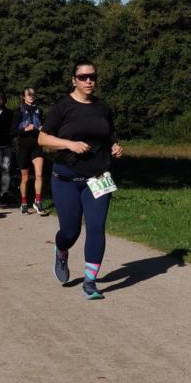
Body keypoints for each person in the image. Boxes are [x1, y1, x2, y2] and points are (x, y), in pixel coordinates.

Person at [38, 60, 123, 299]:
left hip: (98, 177)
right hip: (66, 178)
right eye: (83, 77)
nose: (89, 81)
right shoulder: (63, 107)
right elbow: (43, 139)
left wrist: (116, 147)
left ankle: (90, 282)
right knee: (70, 231)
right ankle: (62, 251)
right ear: (73, 79)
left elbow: (110, 136)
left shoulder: (103, 107)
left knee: (96, 228)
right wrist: (69, 144)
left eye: (92, 76)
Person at [11, 87, 48, 215]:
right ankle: (24, 203)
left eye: (33, 94)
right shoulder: (18, 112)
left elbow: (42, 125)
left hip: (37, 145)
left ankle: (37, 202)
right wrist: (25, 130)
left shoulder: (39, 110)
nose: (31, 96)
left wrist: (43, 128)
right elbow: (12, 132)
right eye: (29, 94)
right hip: (23, 146)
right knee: (25, 177)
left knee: (39, 174)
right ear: (24, 96)